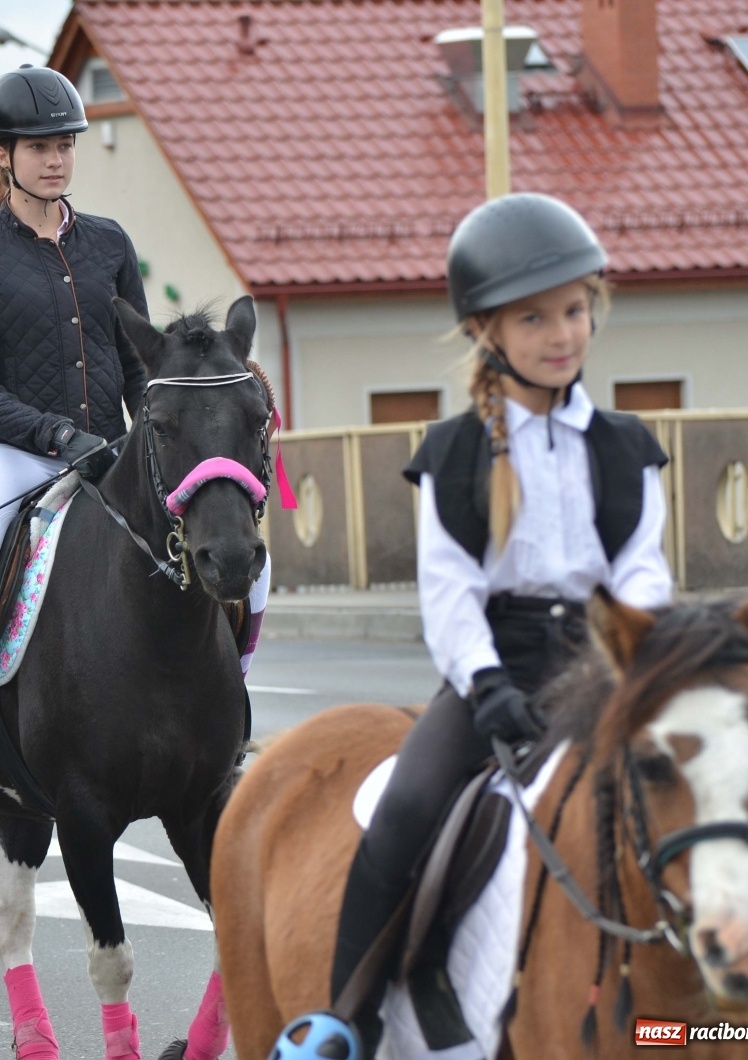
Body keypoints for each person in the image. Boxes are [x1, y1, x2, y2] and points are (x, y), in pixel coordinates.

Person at [282, 192, 674, 1057]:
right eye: (535, 318)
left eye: (575, 311)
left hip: (605, 667)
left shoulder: (625, 445)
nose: (562, 333)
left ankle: (739, 968)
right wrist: (486, 681)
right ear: (487, 331)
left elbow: (642, 567)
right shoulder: (456, 452)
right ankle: (346, 1018)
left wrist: (642, 653)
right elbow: (449, 588)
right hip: (494, 672)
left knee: (716, 778)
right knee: (407, 805)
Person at [0, 65, 273, 805]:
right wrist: (48, 432)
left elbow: (147, 369)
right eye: (38, 147)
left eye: (65, 145)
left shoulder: (109, 243)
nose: (56, 159)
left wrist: (156, 437)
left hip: (113, 451)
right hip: (12, 454)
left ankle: (226, 709)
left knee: (248, 563)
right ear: (2, 156)